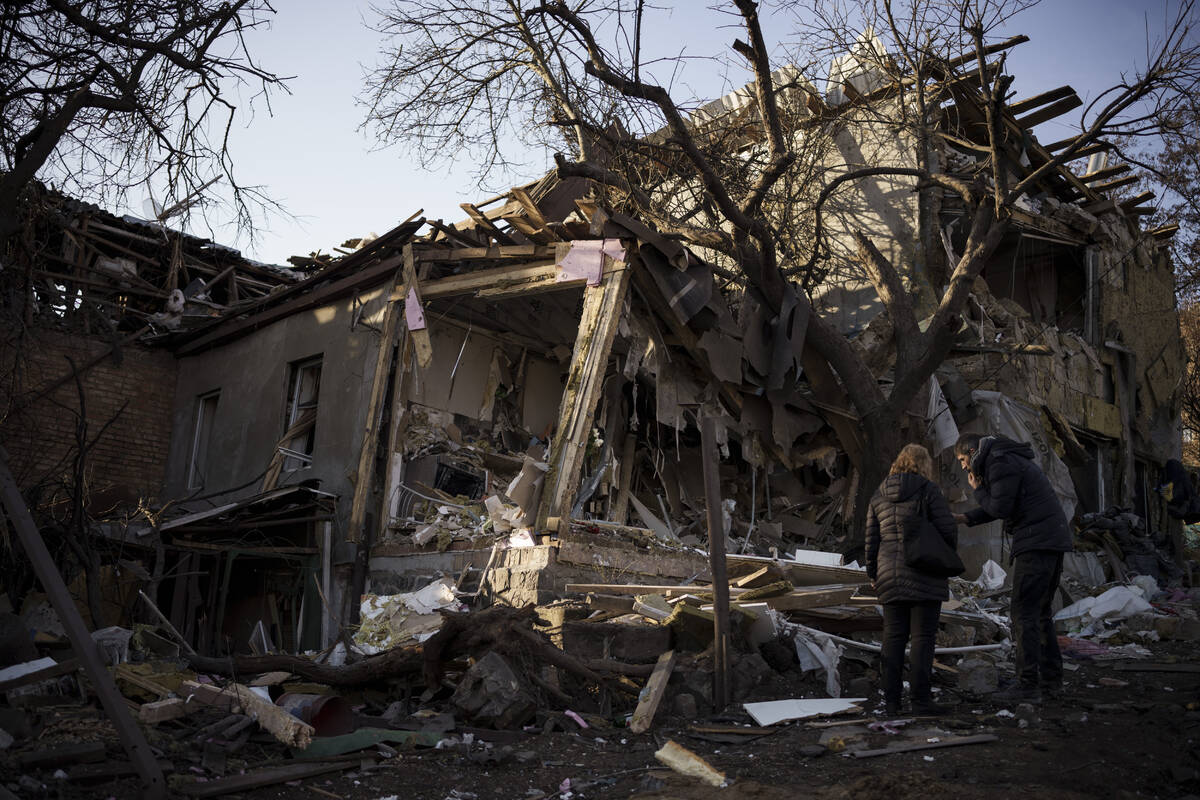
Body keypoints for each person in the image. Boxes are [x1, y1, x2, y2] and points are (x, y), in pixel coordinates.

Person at [953, 433, 1073, 704]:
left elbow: (1000, 507)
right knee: (1040, 613)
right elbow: (1001, 504)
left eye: (962, 460)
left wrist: (978, 490)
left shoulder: (999, 462)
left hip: (1037, 542)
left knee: (1023, 613)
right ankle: (1051, 682)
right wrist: (965, 518)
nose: (963, 467)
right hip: (1050, 539)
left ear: (972, 451)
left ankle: (1027, 685)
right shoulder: (1006, 459)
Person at [865, 443, 958, 716]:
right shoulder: (929, 491)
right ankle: (920, 702)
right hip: (924, 574)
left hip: (889, 576)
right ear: (923, 465)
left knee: (892, 638)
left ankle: (892, 703)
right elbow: (948, 530)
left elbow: (871, 540)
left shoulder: (878, 495)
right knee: (922, 638)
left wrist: (873, 573)